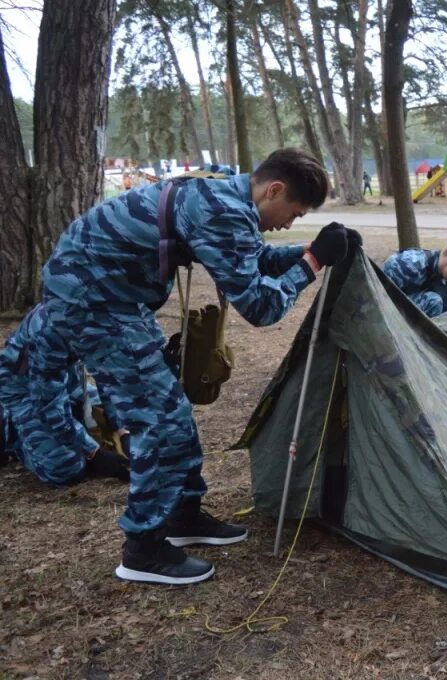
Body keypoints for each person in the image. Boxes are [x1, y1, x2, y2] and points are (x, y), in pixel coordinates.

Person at [18, 148, 354, 585]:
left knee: (169, 409)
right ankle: (143, 549)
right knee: (160, 421)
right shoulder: (221, 210)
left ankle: (182, 515)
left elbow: (251, 260)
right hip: (92, 302)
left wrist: (314, 249)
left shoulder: (226, 198)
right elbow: (260, 306)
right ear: (274, 190)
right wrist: (313, 263)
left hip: (114, 297)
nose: (289, 223)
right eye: (294, 212)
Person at [0, 307, 129, 486]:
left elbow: (107, 375)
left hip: (68, 380)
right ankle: (13, 429)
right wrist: (94, 453)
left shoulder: (107, 312)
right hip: (24, 390)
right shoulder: (49, 329)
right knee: (66, 468)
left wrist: (122, 429)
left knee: (120, 413)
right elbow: (49, 404)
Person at [382, 238, 447, 317]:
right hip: (390, 315)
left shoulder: (445, 280)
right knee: (433, 301)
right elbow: (379, 299)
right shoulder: (404, 265)